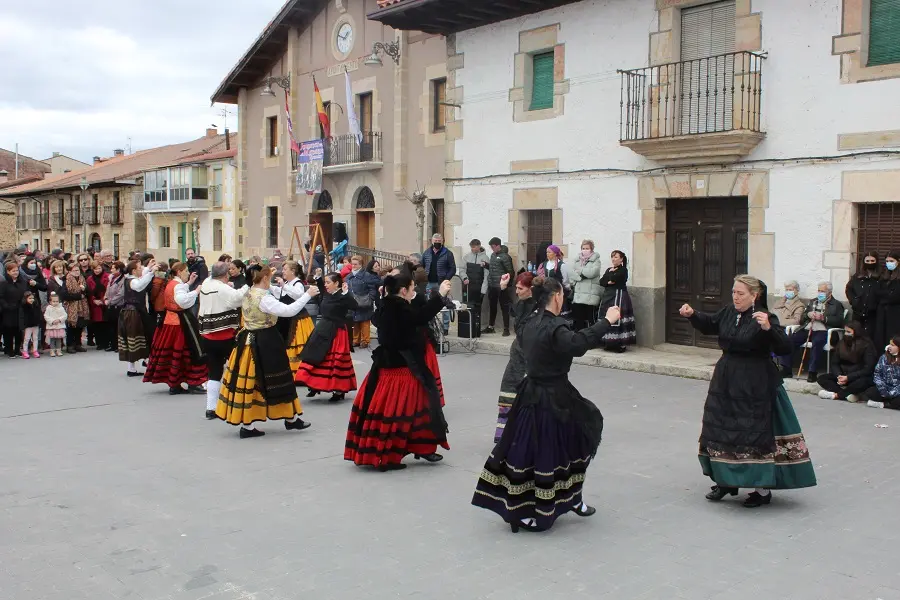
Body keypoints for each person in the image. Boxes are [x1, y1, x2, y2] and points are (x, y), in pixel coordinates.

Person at [472, 278, 619, 532]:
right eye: (563, 294)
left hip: (538, 393)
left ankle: (572, 499)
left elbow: (522, 315)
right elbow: (578, 344)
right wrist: (606, 321)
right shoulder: (553, 327)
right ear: (557, 296)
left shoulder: (529, 322)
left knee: (569, 446)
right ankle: (523, 510)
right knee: (542, 453)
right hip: (550, 397)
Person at [679, 274, 817, 508]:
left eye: (740, 293)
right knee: (721, 428)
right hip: (726, 379)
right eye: (734, 292)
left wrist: (768, 329)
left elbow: (784, 347)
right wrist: (693, 314)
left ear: (754, 295)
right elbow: (710, 323)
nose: (735, 297)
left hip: (754, 382)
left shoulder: (765, 317)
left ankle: (761, 489)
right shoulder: (728, 312)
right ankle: (725, 481)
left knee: (751, 433)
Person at [345, 275, 453, 471]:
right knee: (400, 411)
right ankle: (387, 454)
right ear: (403, 290)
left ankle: (422, 447)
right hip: (400, 366)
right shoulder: (398, 307)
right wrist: (440, 296)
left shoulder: (387, 304)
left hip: (396, 363)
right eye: (412, 288)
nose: (414, 292)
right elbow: (420, 317)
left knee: (419, 406)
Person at [215, 266, 316, 439]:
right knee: (278, 377)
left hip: (247, 339)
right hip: (266, 340)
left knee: (250, 381)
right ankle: (289, 419)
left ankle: (254, 424)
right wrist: (308, 295)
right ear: (264, 279)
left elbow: (232, 303)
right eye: (269, 277)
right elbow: (289, 311)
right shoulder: (264, 298)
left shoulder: (248, 292)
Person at [143, 263, 207, 395]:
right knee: (190, 350)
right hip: (179, 322)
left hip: (169, 321)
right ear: (179, 272)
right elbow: (182, 300)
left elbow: (179, 291)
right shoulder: (177, 285)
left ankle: (174, 383)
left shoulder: (172, 283)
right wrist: (196, 291)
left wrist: (189, 283)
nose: (188, 273)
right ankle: (193, 382)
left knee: (173, 353)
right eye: (186, 271)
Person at [198, 261, 251, 419]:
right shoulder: (222, 288)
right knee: (238, 367)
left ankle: (210, 408)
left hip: (207, 335)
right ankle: (238, 402)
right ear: (225, 274)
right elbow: (238, 298)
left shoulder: (206, 283)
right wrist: (248, 284)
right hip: (225, 336)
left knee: (214, 371)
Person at [295, 273, 359, 402]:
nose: (325, 285)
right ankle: (314, 385)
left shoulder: (343, 296)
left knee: (336, 360)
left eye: (328, 282)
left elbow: (355, 306)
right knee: (315, 355)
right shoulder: (326, 293)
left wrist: (346, 293)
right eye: (325, 282)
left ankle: (339, 390)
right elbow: (320, 287)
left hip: (337, 331)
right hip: (322, 328)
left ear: (336, 283)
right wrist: (318, 277)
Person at [494, 272, 538, 443]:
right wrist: (503, 288)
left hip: (531, 358)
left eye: (520, 289)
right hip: (516, 357)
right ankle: (505, 437)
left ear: (531, 289)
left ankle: (526, 438)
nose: (517, 292)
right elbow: (510, 309)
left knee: (529, 399)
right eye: (516, 288)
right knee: (508, 392)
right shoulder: (522, 303)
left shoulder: (539, 308)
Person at [778, 281, 846, 381]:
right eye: (819, 291)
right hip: (808, 328)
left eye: (823, 291)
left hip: (824, 330)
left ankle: (812, 372)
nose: (820, 293)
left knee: (817, 342)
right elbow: (802, 319)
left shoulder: (836, 304)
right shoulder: (813, 302)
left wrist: (823, 318)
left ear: (830, 292)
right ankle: (786, 369)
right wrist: (808, 315)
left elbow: (839, 321)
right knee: (790, 339)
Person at [269, 261, 315, 376]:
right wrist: (268, 284)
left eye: (285, 269)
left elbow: (298, 295)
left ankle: (298, 372)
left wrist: (284, 286)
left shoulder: (298, 283)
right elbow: (280, 293)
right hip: (285, 318)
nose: (283, 272)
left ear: (293, 271)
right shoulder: (286, 283)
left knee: (294, 343)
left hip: (297, 320)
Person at [816, 321, 877, 401]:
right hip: (843, 374)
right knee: (822, 378)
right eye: (845, 331)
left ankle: (837, 395)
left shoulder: (866, 345)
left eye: (848, 332)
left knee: (863, 382)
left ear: (856, 332)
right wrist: (839, 376)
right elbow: (835, 363)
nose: (846, 334)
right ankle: (847, 395)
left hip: (857, 376)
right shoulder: (841, 343)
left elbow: (868, 368)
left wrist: (849, 377)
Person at [118, 258, 157, 377]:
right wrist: (151, 272)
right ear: (134, 271)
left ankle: (140, 364)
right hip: (133, 313)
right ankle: (137, 366)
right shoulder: (132, 281)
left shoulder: (131, 278)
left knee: (140, 337)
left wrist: (148, 268)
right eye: (140, 268)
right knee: (135, 337)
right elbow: (140, 285)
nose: (141, 270)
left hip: (134, 311)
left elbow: (141, 277)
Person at [599, 250, 637, 352]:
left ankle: (620, 344)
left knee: (618, 318)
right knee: (607, 317)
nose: (613, 259)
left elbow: (615, 278)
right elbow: (601, 282)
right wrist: (609, 279)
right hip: (608, 296)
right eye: (612, 257)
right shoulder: (609, 269)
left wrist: (610, 276)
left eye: (616, 257)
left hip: (619, 296)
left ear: (621, 259)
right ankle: (608, 342)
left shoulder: (623, 270)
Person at [422, 233, 457, 335]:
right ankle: (431, 326)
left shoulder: (448, 253)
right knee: (429, 305)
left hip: (442, 283)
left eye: (439, 241)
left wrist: (446, 279)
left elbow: (452, 268)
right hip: (429, 283)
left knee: (444, 305)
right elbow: (422, 266)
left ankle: (445, 327)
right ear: (432, 241)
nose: (437, 243)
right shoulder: (426, 253)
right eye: (435, 241)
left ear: (442, 241)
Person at [346, 256, 381, 349]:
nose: (353, 266)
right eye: (352, 264)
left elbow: (372, 289)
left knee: (365, 322)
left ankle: (365, 340)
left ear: (360, 264)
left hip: (365, 302)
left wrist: (370, 299)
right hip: (353, 302)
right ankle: (356, 340)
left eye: (355, 264)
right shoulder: (349, 276)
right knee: (355, 322)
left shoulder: (367, 275)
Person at [846, 252, 881, 339]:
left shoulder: (881, 277)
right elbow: (849, 289)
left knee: (870, 337)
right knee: (856, 337)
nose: (870, 263)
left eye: (872, 260)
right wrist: (853, 301)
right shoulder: (857, 276)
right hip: (858, 313)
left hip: (874, 314)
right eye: (867, 261)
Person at [485, 237, 515, 335]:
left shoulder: (505, 257)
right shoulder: (493, 255)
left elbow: (510, 272)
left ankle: (506, 329)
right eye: (491, 247)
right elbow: (493, 268)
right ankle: (491, 326)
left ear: (498, 245)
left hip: (502, 286)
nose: (492, 249)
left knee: (504, 307)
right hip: (492, 285)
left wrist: (507, 284)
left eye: (493, 247)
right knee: (492, 306)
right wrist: (486, 265)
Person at [571, 240, 603, 331]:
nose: (585, 250)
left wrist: (580, 271)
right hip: (578, 294)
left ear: (591, 249)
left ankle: (592, 337)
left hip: (590, 294)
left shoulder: (596, 260)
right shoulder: (577, 260)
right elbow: (573, 274)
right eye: (583, 248)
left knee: (591, 319)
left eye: (587, 248)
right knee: (578, 319)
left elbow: (592, 273)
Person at [0, 261, 29, 358]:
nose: (16, 272)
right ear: (8, 272)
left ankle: (17, 349)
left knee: (18, 330)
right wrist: (6, 306)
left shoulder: (22, 282)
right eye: (13, 271)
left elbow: (26, 294)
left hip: (20, 309)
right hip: (8, 310)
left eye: (17, 270)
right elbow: (1, 297)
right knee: (9, 330)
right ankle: (9, 349)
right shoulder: (4, 283)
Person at [64, 254, 91, 353]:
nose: (77, 272)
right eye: (74, 270)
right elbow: (66, 294)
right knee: (71, 326)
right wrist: (79, 295)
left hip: (82, 306)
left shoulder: (82, 279)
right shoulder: (67, 280)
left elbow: (88, 292)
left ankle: (78, 344)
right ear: (70, 271)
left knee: (80, 325)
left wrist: (84, 290)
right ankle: (70, 345)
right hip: (71, 305)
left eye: (78, 270)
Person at [874, 250, 900, 352]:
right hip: (882, 312)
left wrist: (885, 295)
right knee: (881, 338)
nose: (889, 263)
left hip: (895, 314)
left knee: (893, 338)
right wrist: (887, 294)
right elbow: (877, 292)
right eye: (887, 261)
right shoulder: (884, 277)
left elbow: (895, 295)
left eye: (891, 261)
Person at [866, 335, 900, 410]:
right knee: (870, 392)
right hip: (885, 388)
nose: (889, 347)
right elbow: (877, 374)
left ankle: (885, 404)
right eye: (889, 344)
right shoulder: (884, 357)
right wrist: (882, 389)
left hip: (897, 391)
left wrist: (892, 393)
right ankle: (889, 401)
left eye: (892, 345)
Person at [86, 261, 111, 351]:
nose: (97, 270)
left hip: (105, 302)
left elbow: (109, 290)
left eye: (99, 268)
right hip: (95, 304)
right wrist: (93, 300)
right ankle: (99, 343)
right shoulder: (89, 279)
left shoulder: (107, 276)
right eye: (95, 269)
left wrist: (103, 300)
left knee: (106, 324)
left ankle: (107, 342)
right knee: (97, 324)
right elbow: (89, 292)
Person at [461, 239, 490, 318]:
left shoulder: (485, 258)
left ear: (479, 246)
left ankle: (476, 324)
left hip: (479, 288)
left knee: (477, 308)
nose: (472, 249)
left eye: (474, 247)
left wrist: (483, 290)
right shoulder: (466, 257)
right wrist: (464, 278)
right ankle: (468, 323)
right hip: (468, 287)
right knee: (467, 306)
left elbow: (486, 275)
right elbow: (462, 269)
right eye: (471, 247)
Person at [104, 262, 127, 353]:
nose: (111, 270)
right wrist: (105, 298)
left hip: (118, 306)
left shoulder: (124, 279)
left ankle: (118, 345)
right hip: (110, 306)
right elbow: (107, 289)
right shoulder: (111, 278)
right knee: (111, 326)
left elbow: (121, 294)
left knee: (118, 327)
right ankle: (112, 344)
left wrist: (110, 301)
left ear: (118, 269)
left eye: (113, 268)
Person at [43, 292, 67, 357]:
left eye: (57, 301)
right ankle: (52, 351)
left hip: (59, 326)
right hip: (52, 327)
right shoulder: (48, 308)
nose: (55, 303)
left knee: (58, 339)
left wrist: (59, 320)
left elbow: (65, 315)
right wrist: (52, 321)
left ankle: (59, 350)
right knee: (52, 339)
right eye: (54, 301)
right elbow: (46, 316)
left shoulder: (61, 308)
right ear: (50, 302)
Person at [20, 291, 41, 358]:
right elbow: (21, 317)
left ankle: (35, 350)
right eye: (30, 298)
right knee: (27, 339)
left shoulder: (36, 305)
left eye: (32, 298)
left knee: (35, 338)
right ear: (25, 299)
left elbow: (39, 314)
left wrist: (39, 322)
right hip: (28, 325)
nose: (32, 299)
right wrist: (22, 325)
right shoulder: (24, 307)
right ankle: (25, 351)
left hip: (35, 324)